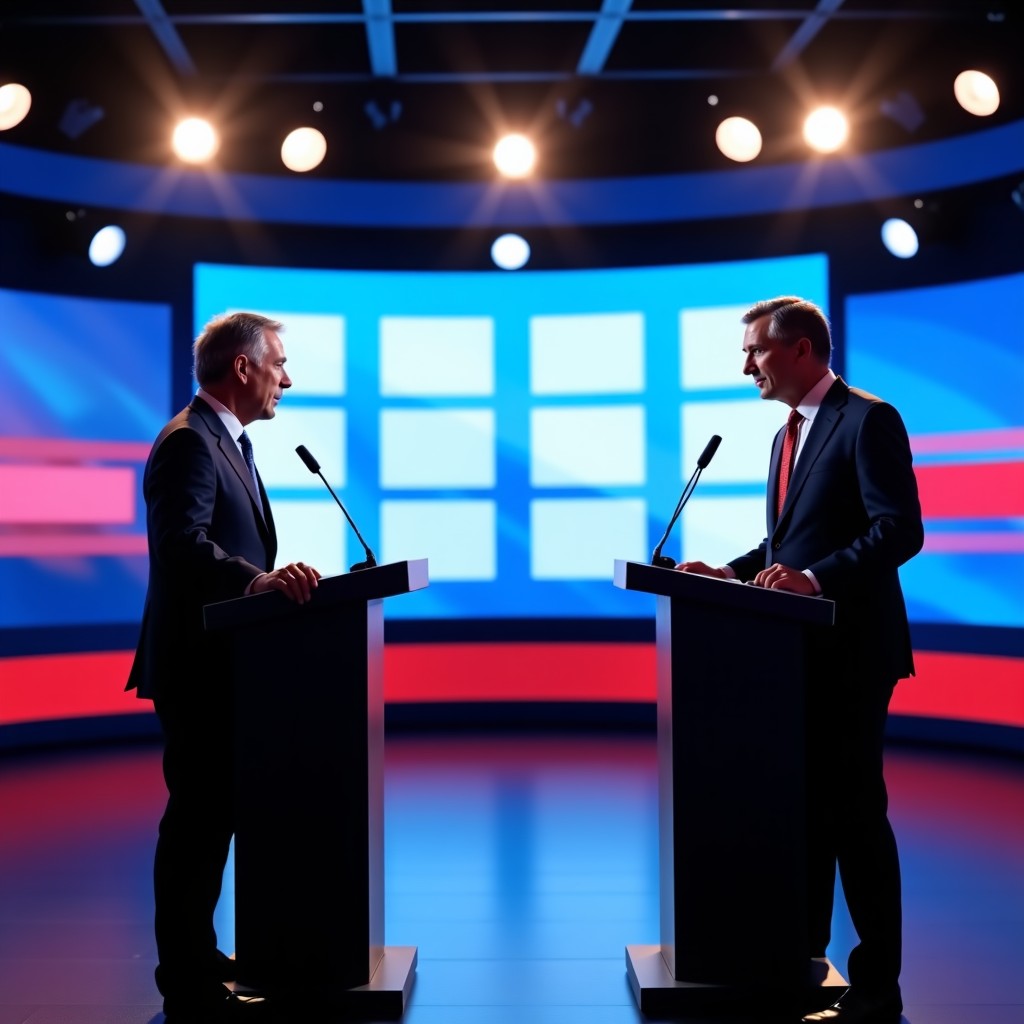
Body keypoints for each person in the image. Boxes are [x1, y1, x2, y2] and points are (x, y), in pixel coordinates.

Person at [677, 297, 923, 1024]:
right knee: (810, 815)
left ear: (802, 351)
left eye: (755, 349)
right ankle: (802, 966)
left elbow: (899, 531)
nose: (745, 364)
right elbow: (789, 548)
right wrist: (730, 572)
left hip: (851, 651)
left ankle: (877, 992)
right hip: (794, 656)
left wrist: (814, 581)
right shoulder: (787, 435)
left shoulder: (868, 419)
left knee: (855, 817)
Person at [127, 312, 321, 1021]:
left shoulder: (223, 440)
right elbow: (181, 544)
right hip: (198, 667)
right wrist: (255, 581)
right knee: (197, 824)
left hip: (228, 666)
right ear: (243, 367)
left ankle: (198, 956)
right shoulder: (188, 442)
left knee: (212, 822)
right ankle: (186, 983)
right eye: (279, 364)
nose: (287, 379)